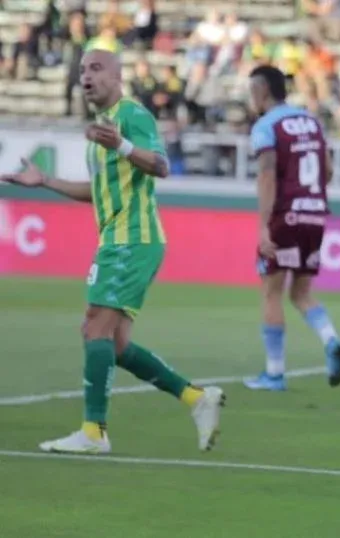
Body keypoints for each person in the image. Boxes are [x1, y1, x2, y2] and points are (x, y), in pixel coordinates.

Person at [0, 47, 225, 454]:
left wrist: (122, 145)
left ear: (117, 76)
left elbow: (160, 165)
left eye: (97, 68)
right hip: (117, 237)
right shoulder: (100, 133)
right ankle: (196, 398)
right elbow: (98, 191)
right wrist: (46, 181)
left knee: (94, 328)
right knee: (115, 345)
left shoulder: (131, 116)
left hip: (132, 237)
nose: (86, 75)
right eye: (82, 69)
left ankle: (93, 432)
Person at [241, 65, 340, 392]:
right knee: (301, 292)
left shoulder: (266, 126)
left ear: (261, 92)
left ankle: (274, 374)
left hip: (284, 215)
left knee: (271, 291)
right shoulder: (312, 122)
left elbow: (267, 175)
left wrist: (263, 227)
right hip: (315, 214)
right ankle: (330, 339)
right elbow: (327, 169)